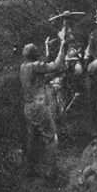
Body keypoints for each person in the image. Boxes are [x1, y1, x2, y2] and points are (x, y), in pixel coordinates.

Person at [20, 32, 68, 179]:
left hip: (28, 108)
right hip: (39, 106)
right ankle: (51, 173)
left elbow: (42, 79)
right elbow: (55, 65)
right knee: (50, 138)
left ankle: (29, 170)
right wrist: (63, 46)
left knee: (33, 139)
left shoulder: (24, 67)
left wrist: (54, 74)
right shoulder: (35, 66)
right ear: (35, 55)